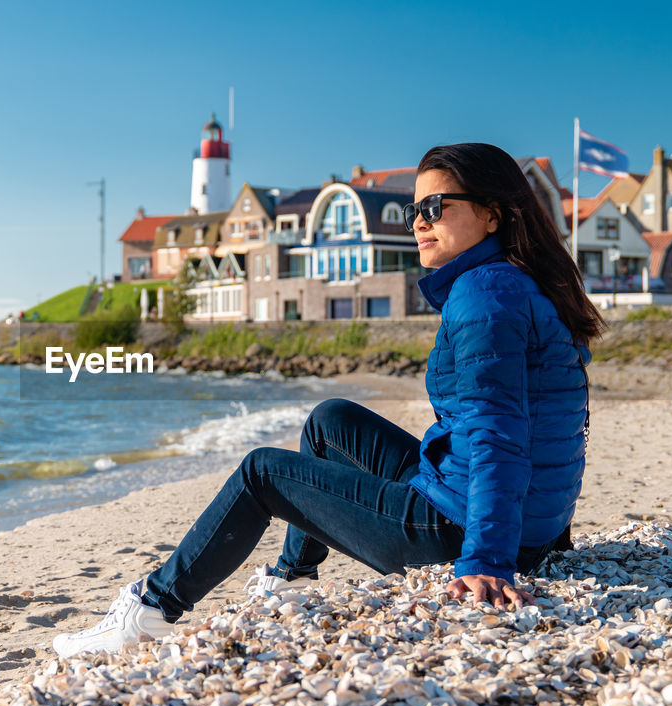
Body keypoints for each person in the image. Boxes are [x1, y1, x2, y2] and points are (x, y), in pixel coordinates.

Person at [52, 143, 605, 657]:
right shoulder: (520, 283)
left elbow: (498, 433)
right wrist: (550, 532)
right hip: (515, 518)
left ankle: (150, 610)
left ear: (492, 213)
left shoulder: (486, 295)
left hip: (462, 530)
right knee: (329, 420)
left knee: (260, 473)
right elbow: (555, 427)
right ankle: (292, 578)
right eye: (414, 209)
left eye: (435, 206)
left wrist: (488, 560)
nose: (418, 222)